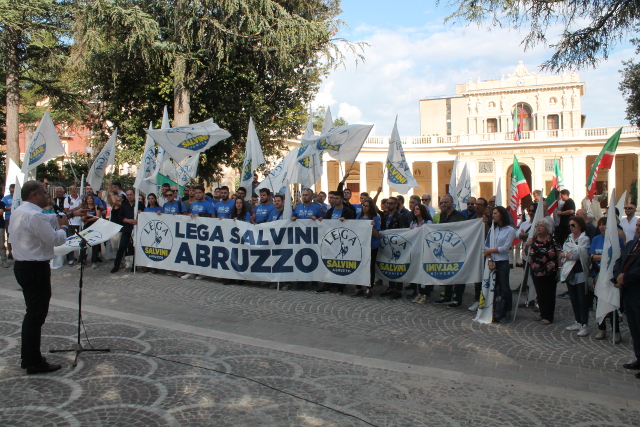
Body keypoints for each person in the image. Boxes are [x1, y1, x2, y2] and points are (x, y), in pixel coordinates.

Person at [10, 180, 69, 374]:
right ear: (35, 195)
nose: (47, 196)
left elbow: (45, 221)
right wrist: (64, 228)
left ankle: (28, 357)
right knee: (36, 315)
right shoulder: (34, 215)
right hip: (35, 269)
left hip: (23, 267)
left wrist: (71, 215)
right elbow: (53, 239)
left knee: (32, 314)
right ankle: (33, 362)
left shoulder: (20, 211)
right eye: (44, 192)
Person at [590, 217, 626, 341]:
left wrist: (603, 257)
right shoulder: (596, 239)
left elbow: (619, 256)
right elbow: (592, 256)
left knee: (612, 302)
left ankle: (616, 330)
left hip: (612, 276)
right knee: (599, 301)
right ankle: (601, 328)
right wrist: (605, 257)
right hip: (598, 275)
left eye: (604, 224)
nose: (601, 227)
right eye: (600, 225)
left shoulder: (618, 240)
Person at [613, 220, 640, 378]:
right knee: (634, 328)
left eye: (639, 226)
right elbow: (619, 260)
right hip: (628, 294)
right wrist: (618, 274)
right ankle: (638, 357)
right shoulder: (632, 243)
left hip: (637, 290)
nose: (637, 228)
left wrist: (626, 277)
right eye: (636, 226)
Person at [316, 191, 356, 294]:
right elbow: (326, 223)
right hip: (331, 241)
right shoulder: (330, 211)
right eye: (333, 198)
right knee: (329, 261)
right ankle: (327, 284)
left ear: (342, 199)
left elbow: (354, 225)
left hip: (343, 241)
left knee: (341, 263)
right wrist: (321, 220)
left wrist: (346, 221)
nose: (334, 200)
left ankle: (341, 286)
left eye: (337, 198)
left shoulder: (348, 211)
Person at [524, 218, 562, 324]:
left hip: (549, 271)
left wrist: (560, 268)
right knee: (540, 293)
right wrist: (527, 245)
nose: (539, 228)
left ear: (547, 228)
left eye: (541, 225)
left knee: (549, 294)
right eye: (537, 226)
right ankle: (542, 313)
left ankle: (548, 316)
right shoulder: (534, 239)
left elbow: (559, 254)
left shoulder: (552, 240)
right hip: (536, 270)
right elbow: (527, 253)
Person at [483, 206, 517, 321]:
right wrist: (489, 259)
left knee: (504, 287)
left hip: (502, 261)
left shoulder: (510, 230)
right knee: (493, 286)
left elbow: (505, 248)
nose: (493, 215)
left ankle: (508, 310)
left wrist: (490, 251)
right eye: (493, 213)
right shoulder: (493, 228)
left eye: (495, 213)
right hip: (492, 261)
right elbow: (486, 245)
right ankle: (493, 309)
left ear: (501, 214)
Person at [559, 215, 591, 337]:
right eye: (570, 225)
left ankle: (585, 324)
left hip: (580, 271)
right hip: (570, 271)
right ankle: (578, 321)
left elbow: (578, 254)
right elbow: (565, 251)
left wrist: (566, 254)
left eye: (573, 225)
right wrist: (568, 254)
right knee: (573, 298)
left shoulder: (585, 239)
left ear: (580, 226)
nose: (571, 227)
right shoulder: (569, 238)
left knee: (582, 299)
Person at [435, 194, 467, 307]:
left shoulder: (459, 216)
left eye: (445, 202)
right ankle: (447, 295)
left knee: (458, 273)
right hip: (446, 248)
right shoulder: (443, 215)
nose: (443, 204)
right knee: (447, 272)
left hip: (457, 249)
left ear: (452, 202)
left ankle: (458, 298)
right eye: (442, 202)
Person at [378, 196, 408, 299]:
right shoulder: (384, 217)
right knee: (388, 265)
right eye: (387, 203)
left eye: (390, 203)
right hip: (386, 246)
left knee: (397, 267)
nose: (388, 205)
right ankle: (391, 287)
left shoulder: (400, 217)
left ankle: (398, 290)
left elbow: (404, 233)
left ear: (396, 205)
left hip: (396, 247)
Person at [351, 197, 380, 298]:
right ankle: (359, 288)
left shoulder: (375, 218)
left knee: (370, 267)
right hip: (360, 246)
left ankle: (369, 288)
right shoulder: (359, 217)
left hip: (372, 246)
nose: (364, 207)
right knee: (359, 266)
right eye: (363, 205)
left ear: (371, 207)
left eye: (367, 206)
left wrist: (371, 227)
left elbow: (377, 235)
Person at [111, 189, 143, 273]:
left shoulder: (139, 204)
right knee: (121, 246)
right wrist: (127, 220)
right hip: (126, 228)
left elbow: (145, 215)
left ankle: (135, 265)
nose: (129, 196)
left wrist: (139, 218)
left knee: (136, 247)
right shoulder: (124, 205)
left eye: (131, 194)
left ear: (134, 194)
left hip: (137, 229)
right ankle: (116, 265)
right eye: (128, 195)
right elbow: (120, 217)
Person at [409, 204, 434, 303]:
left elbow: (430, 234)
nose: (415, 211)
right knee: (418, 272)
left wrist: (420, 229)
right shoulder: (413, 222)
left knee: (426, 271)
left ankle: (426, 294)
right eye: (414, 209)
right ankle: (420, 292)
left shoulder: (428, 222)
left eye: (417, 209)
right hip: (417, 249)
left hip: (426, 249)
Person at [81, 194, 103, 269]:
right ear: (86, 200)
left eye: (91, 198)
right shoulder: (84, 208)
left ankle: (94, 261)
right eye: (88, 198)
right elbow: (83, 219)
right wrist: (87, 216)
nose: (90, 200)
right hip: (86, 227)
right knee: (83, 243)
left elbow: (97, 217)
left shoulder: (96, 207)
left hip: (94, 227)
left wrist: (88, 218)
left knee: (95, 245)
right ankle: (81, 260)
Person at [63, 185, 83, 266]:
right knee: (71, 240)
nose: (73, 190)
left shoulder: (81, 198)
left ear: (77, 189)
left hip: (80, 222)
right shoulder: (67, 199)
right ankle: (71, 258)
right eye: (71, 189)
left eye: (74, 188)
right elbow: (67, 211)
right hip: (71, 222)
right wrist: (77, 208)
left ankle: (82, 258)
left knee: (82, 241)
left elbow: (84, 208)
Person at [3, 184, 15, 260]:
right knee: (9, 236)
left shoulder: (19, 197)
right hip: (8, 218)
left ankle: (16, 251)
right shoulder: (5, 198)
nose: (12, 193)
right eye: (11, 191)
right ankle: (10, 252)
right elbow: (2, 208)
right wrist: (9, 208)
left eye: (13, 191)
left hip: (18, 219)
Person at [0, 194, 7, 268]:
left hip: (0, 226)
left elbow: (0, 212)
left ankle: (4, 260)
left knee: (1, 244)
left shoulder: (1, 203)